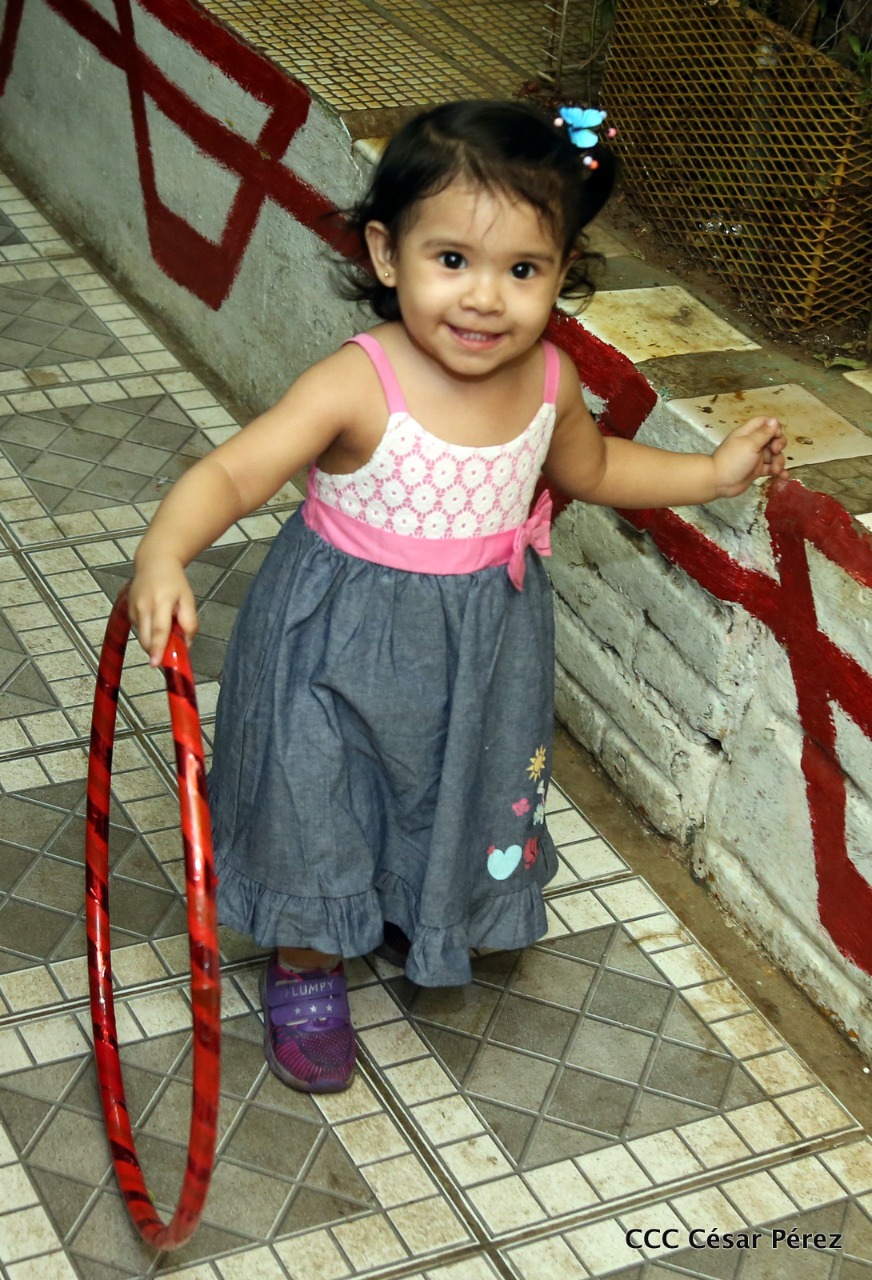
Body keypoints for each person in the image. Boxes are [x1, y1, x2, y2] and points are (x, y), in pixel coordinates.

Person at [128, 99, 785, 1095]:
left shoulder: (550, 382)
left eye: (522, 270)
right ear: (386, 254)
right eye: (451, 260)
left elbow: (598, 468)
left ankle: (410, 900)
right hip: (331, 644)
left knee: (443, 788)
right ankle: (306, 962)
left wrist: (712, 473)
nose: (485, 298)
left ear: (562, 270)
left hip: (478, 649)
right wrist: (163, 554)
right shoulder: (357, 382)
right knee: (315, 794)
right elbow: (232, 472)